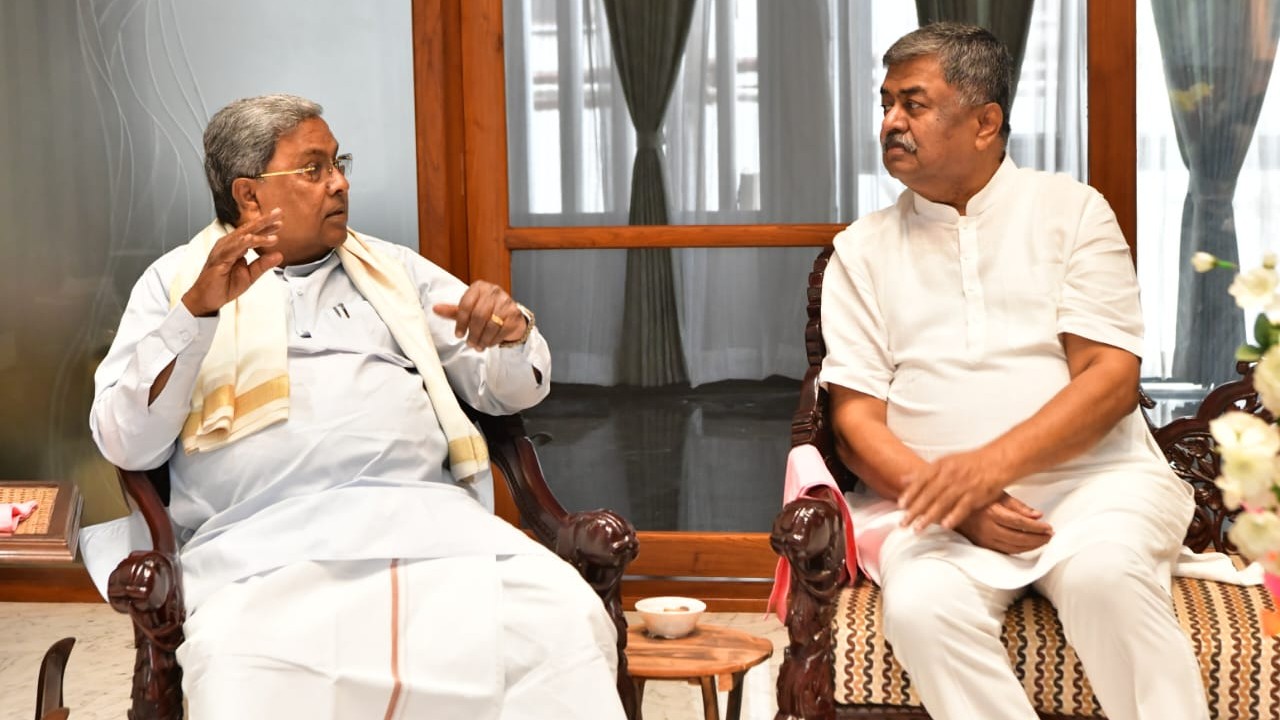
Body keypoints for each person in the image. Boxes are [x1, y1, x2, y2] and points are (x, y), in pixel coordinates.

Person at [90, 93, 626, 720]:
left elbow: (508, 390)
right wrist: (197, 315)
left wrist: (507, 333)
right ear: (250, 196)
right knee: (243, 667)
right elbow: (126, 442)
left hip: (430, 525)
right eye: (314, 169)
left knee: (562, 619)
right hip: (261, 547)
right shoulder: (173, 283)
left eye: (339, 163)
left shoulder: (394, 271)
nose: (339, 183)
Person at [821, 24, 1209, 720]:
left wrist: (986, 469)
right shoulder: (861, 250)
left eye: (913, 104)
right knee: (921, 607)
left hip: (1096, 489)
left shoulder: (1072, 213)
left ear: (984, 121)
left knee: (1106, 580)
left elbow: (1109, 379)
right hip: (936, 507)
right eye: (886, 104)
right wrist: (956, 499)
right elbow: (854, 420)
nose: (890, 122)